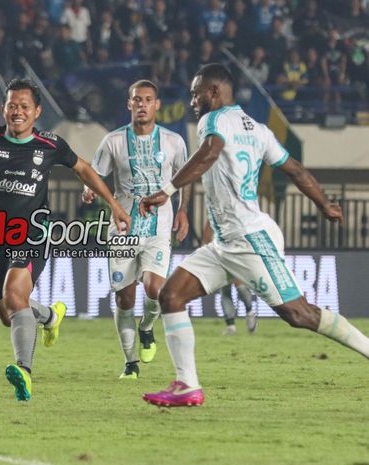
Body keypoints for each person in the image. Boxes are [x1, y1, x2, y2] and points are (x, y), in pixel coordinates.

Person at [139, 63, 369, 407]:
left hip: (250, 239)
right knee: (171, 296)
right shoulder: (258, 130)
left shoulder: (212, 122)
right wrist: (324, 204)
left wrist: (168, 188)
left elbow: (210, 151)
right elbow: (295, 169)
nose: (192, 101)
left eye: (195, 93)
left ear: (213, 92)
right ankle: (187, 385)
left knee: (299, 315)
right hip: (226, 243)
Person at [0, 78, 130, 401]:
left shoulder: (49, 145)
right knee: (6, 313)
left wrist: (112, 204)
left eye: (25, 106)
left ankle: (24, 373)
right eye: (12, 105)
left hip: (32, 234)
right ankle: (50, 316)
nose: (17, 112)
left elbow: (83, 169)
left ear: (37, 111)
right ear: (4, 108)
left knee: (14, 295)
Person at [82, 80, 190, 380]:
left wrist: (183, 210)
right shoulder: (113, 141)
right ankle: (130, 363)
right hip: (123, 231)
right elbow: (95, 174)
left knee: (155, 289)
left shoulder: (173, 142)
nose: (142, 104)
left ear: (157, 105)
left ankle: (146, 327)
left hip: (159, 228)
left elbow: (185, 178)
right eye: (136, 100)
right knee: (124, 300)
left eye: (147, 99)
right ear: (129, 104)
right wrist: (88, 190)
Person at [203, 220, 257, 335]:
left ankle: (250, 312)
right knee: (225, 290)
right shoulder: (213, 217)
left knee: (240, 285)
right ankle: (231, 326)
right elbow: (206, 239)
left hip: (236, 256)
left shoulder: (236, 217)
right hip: (220, 258)